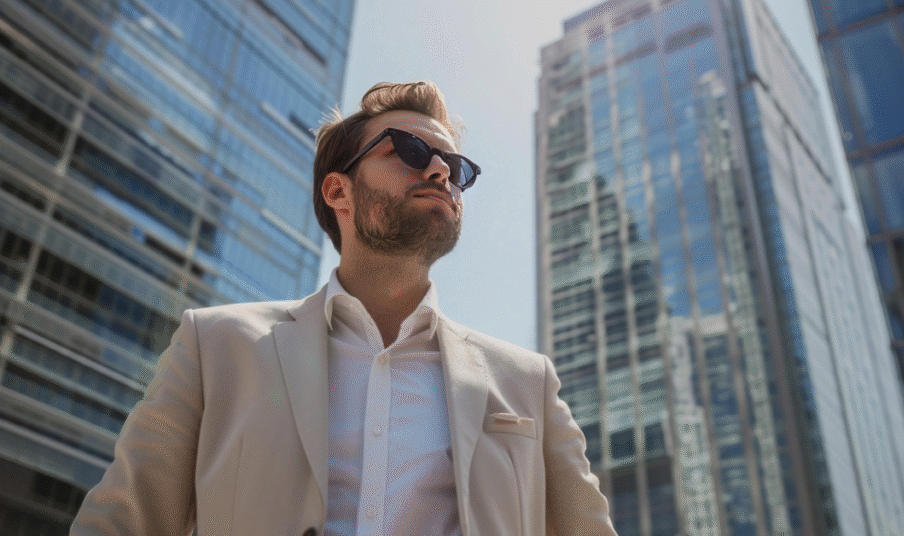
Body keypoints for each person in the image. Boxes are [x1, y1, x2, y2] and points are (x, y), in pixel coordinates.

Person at [70, 81, 616, 536]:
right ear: (338, 191)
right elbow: (121, 521)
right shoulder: (215, 346)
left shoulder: (528, 383)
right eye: (409, 151)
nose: (439, 173)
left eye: (455, 165)